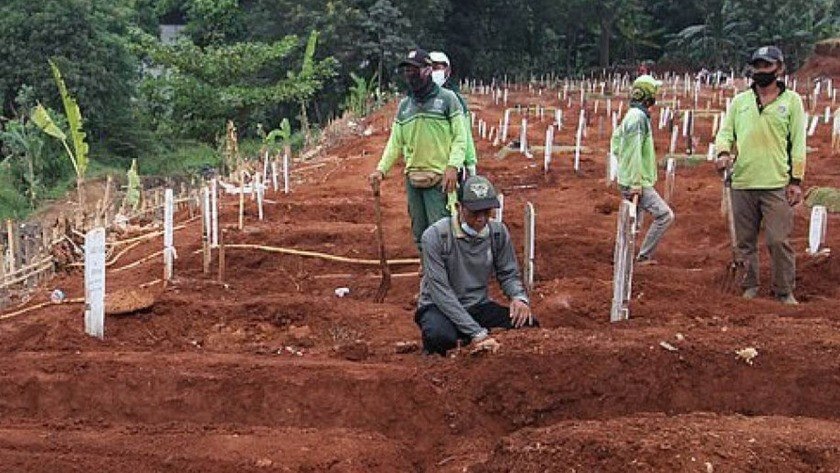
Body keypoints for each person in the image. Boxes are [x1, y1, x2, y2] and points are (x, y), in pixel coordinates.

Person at [715, 46, 806, 305]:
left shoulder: (791, 102)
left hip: (776, 183)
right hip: (742, 182)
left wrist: (796, 181)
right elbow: (725, 133)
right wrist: (722, 152)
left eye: (767, 66)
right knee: (744, 243)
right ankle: (749, 286)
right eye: (757, 66)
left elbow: (798, 144)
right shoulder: (740, 102)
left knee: (779, 241)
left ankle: (784, 290)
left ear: (780, 69)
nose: (761, 71)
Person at [415, 175, 537, 355]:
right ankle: (451, 344)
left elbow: (508, 273)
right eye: (474, 212)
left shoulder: (497, 233)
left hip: (477, 305)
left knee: (528, 324)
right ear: (458, 207)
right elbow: (440, 291)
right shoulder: (435, 236)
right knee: (440, 337)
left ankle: (465, 336)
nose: (481, 219)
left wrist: (518, 297)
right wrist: (477, 333)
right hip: (439, 307)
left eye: (487, 212)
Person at [369, 48, 467, 255]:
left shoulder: (448, 100)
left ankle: (445, 277)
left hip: (440, 178)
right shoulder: (405, 107)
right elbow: (395, 142)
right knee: (420, 233)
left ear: (427, 70)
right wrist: (381, 170)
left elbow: (461, 138)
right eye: (406, 70)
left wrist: (452, 166)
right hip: (414, 178)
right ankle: (428, 273)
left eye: (414, 69)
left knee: (440, 232)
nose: (409, 74)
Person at [610, 74, 674, 265]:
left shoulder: (632, 115)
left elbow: (615, 144)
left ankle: (624, 259)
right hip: (635, 180)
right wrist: (636, 182)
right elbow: (634, 152)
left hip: (630, 177)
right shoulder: (637, 119)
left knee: (633, 222)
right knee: (664, 215)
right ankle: (643, 256)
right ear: (648, 96)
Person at [429, 51, 478, 178]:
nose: (434, 72)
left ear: (447, 71)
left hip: (451, 165)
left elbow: (464, 133)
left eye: (437, 68)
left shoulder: (455, 100)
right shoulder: (416, 100)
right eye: (431, 68)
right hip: (426, 166)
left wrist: (470, 163)